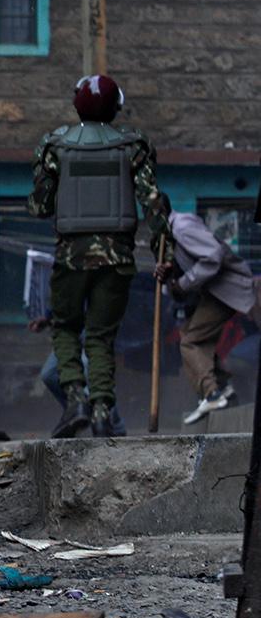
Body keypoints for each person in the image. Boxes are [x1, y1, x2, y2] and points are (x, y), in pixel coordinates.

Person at [27, 76, 170, 439]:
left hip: (70, 258)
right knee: (102, 338)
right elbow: (153, 204)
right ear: (116, 106)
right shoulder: (133, 146)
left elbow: (40, 206)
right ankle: (103, 411)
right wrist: (162, 254)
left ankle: (76, 399)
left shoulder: (55, 145)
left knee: (66, 329)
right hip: (117, 260)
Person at [156, 211, 256, 425]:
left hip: (226, 291)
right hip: (217, 293)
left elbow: (212, 256)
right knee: (189, 336)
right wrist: (170, 276)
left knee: (190, 342)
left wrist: (182, 283)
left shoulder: (181, 227)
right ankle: (222, 389)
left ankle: (213, 394)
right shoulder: (170, 234)